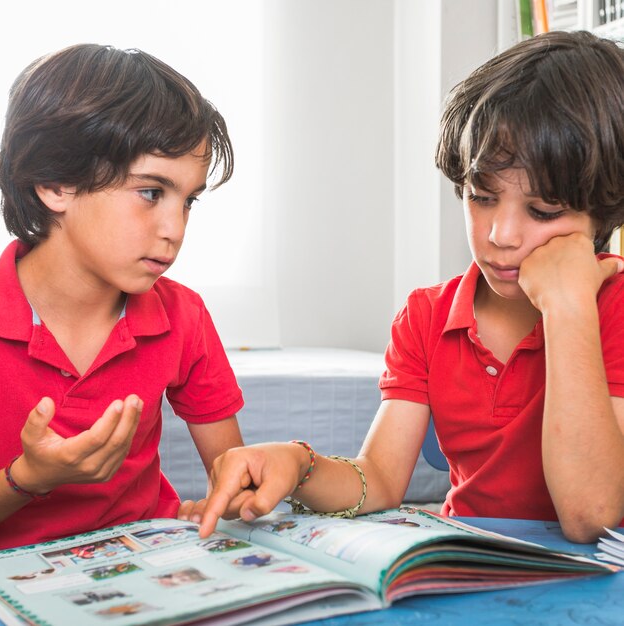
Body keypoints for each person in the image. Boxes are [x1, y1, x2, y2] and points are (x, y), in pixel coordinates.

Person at [189, 30, 624, 544]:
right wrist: (298, 464)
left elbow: (589, 515)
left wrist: (569, 306)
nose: (500, 236)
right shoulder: (427, 317)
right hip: (472, 562)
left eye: (544, 211)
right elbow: (379, 478)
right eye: (482, 197)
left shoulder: (612, 307)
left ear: (604, 211)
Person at [0, 44, 245, 549]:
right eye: (151, 193)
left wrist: (225, 504)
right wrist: (28, 477)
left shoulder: (183, 314)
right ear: (55, 183)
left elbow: (232, 477)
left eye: (188, 200)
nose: (174, 229)